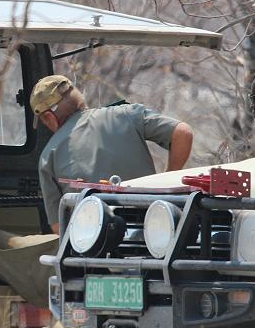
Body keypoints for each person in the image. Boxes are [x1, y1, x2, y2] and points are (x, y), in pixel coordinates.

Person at [32, 75, 194, 233]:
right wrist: (168, 180)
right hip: (153, 231)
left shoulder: (48, 156)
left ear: (48, 117)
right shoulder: (126, 114)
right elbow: (182, 132)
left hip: (97, 246)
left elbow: (58, 227)